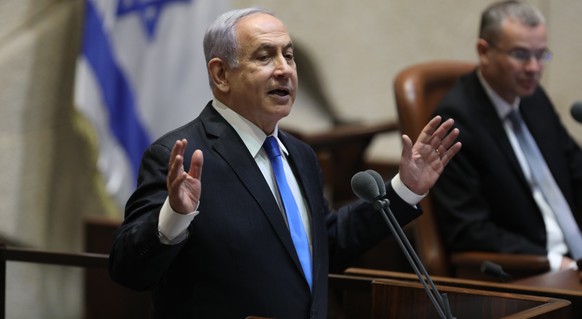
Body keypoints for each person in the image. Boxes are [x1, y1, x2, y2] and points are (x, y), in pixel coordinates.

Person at [109, 7, 461, 319]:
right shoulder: (181, 156)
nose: (284, 70)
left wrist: (404, 190)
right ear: (220, 75)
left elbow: (325, 245)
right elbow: (128, 271)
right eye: (265, 57)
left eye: (288, 56)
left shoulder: (301, 154)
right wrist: (174, 217)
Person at [432, 0, 582, 273]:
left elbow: (576, 169)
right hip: (530, 270)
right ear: (484, 51)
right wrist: (554, 263)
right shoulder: (456, 120)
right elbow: (470, 229)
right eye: (521, 54)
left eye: (541, 54)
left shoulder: (534, 99)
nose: (534, 68)